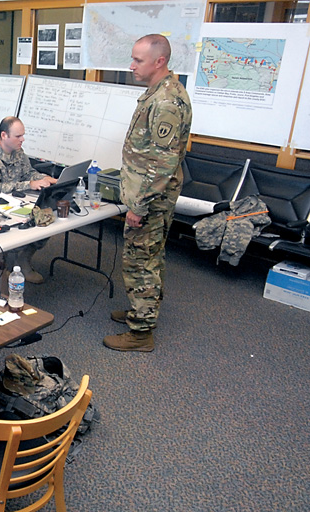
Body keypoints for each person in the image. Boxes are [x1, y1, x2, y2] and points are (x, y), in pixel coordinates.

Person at [104, 34, 192, 353]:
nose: (131, 66)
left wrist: (139, 206)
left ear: (160, 61)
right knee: (150, 256)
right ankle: (142, 312)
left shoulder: (166, 100)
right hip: (151, 195)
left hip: (150, 199)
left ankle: (141, 333)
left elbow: (162, 163)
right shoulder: (157, 92)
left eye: (138, 60)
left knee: (140, 261)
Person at [0, 116, 56, 285]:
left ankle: (23, 260)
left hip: (13, 202)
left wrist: (46, 178)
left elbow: (28, 173)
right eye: (18, 136)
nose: (22, 139)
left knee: (45, 217)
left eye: (23, 135)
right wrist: (29, 184)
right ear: (4, 135)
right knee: (24, 223)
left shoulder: (17, 151)